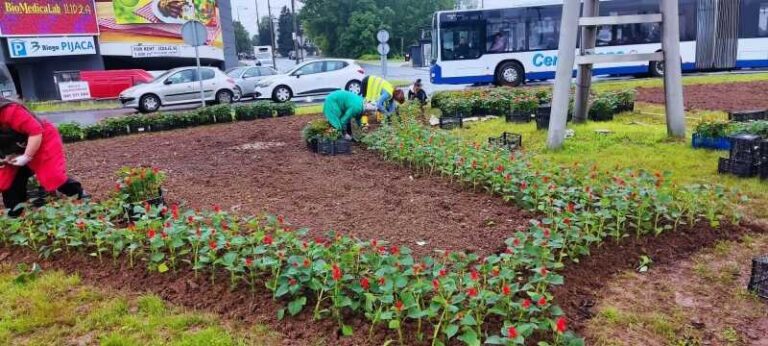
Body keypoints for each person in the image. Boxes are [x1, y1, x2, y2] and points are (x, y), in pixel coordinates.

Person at [0, 97, 86, 217]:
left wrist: (26, 157)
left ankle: (81, 196)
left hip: (42, 138)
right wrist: (4, 158)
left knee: (52, 176)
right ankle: (15, 216)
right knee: (6, 181)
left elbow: (35, 132)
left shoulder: (10, 110)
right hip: (13, 148)